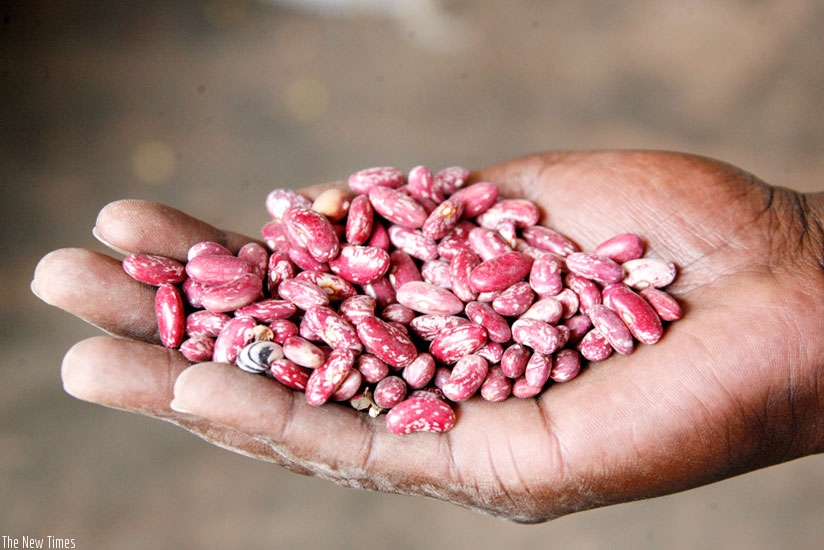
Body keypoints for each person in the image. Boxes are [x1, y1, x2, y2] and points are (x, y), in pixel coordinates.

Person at [30, 150, 824, 523]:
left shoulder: (509, 296)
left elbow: (500, 316)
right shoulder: (339, 296)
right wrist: (797, 245)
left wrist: (798, 249)